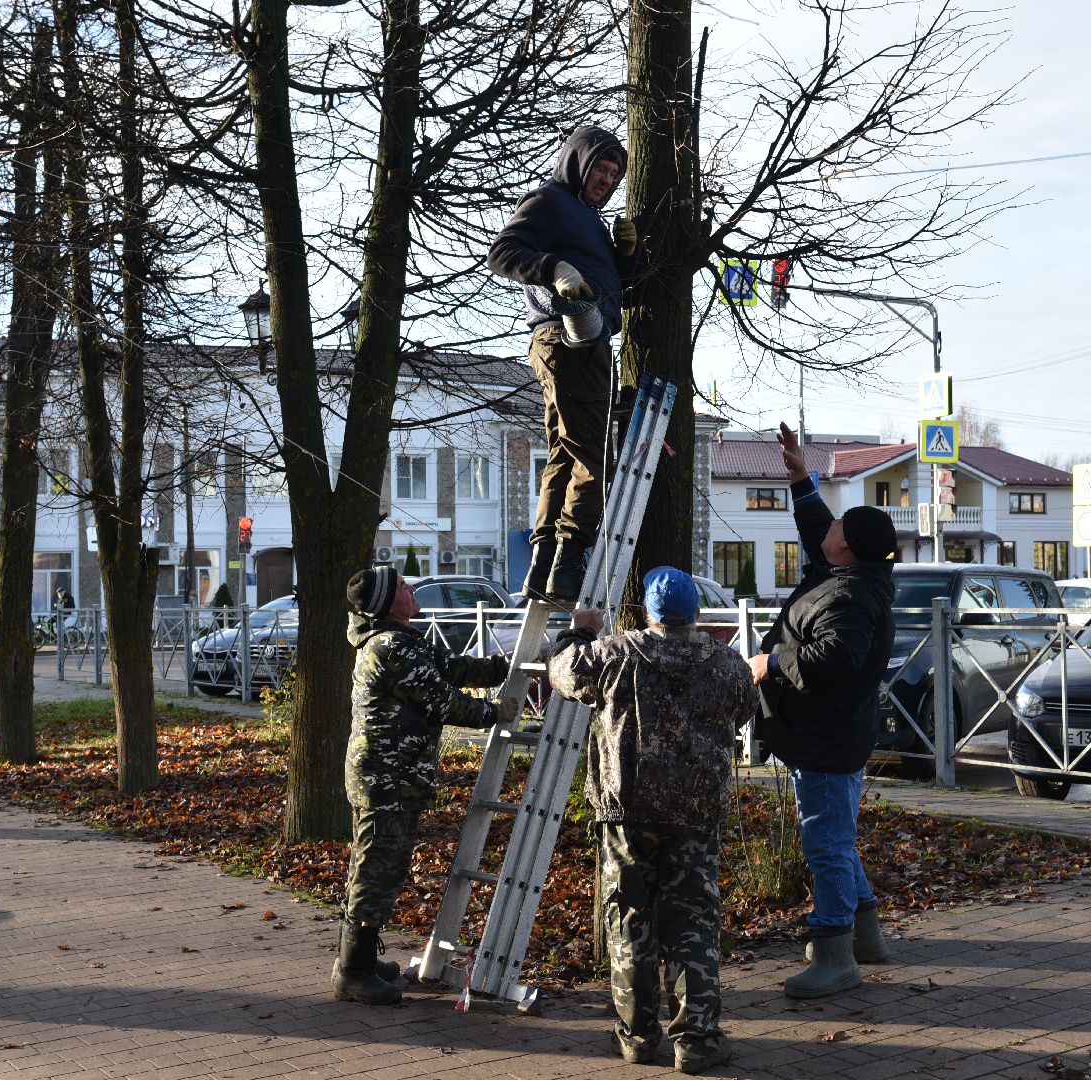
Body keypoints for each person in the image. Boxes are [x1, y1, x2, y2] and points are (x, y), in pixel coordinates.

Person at [547, 567, 757, 1075]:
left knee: (629, 921)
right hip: (696, 813)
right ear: (697, 613)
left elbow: (561, 672)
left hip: (627, 811)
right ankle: (698, 1040)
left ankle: (638, 1036)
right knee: (694, 923)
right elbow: (745, 710)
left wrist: (580, 629)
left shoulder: (615, 655)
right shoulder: (727, 663)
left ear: (647, 611)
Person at [748, 422, 898, 999]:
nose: (828, 525)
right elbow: (817, 524)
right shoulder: (845, 570)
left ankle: (836, 954)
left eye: (838, 525)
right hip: (825, 735)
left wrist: (772, 663)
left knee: (827, 844)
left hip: (828, 741)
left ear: (848, 547)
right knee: (837, 838)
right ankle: (867, 937)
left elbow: (833, 657)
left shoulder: (851, 596)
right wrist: (799, 476)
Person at [335, 566, 514, 1006]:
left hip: (390, 777)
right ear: (386, 604)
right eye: (401, 587)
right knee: (376, 871)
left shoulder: (402, 640)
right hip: (386, 780)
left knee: (376, 867)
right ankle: (353, 972)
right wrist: (496, 712)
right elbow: (442, 700)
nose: (410, 589)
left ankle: (357, 959)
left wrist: (502, 667)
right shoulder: (391, 646)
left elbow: (450, 666)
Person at [488, 125, 637, 604]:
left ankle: (544, 566)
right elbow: (503, 253)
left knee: (566, 454)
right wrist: (554, 269)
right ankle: (569, 565)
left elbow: (614, 291)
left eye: (614, 174)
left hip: (577, 339)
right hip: (570, 339)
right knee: (593, 456)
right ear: (578, 162)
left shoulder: (588, 219)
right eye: (600, 168)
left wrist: (625, 258)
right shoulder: (550, 201)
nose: (606, 180)